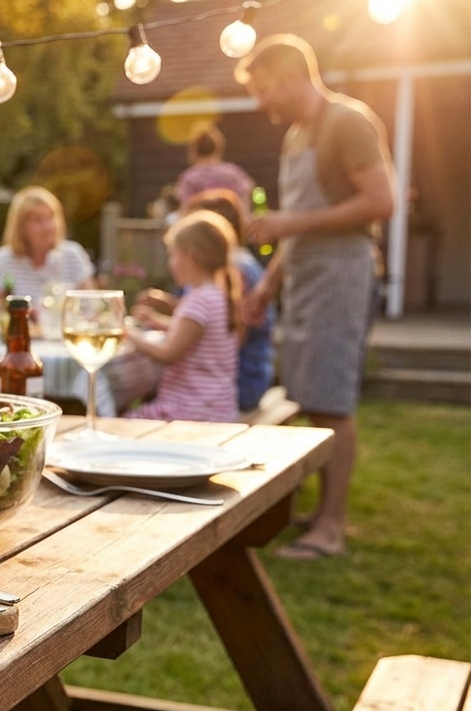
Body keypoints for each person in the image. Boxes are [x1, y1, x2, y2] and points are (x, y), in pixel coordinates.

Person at [236, 34, 395, 560]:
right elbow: (296, 227)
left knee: (333, 401)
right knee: (309, 396)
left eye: (263, 90)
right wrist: (265, 286)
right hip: (304, 277)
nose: (262, 104)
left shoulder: (349, 122)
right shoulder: (297, 135)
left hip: (342, 276)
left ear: (286, 77)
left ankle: (331, 527)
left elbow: (382, 201)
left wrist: (289, 223)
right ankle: (316, 512)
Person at [135, 188, 274, 411]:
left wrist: (128, 334)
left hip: (237, 384)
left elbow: (175, 349)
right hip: (219, 396)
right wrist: (163, 313)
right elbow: (207, 327)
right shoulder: (219, 286)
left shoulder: (238, 272)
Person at [124, 211, 240, 423]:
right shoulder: (216, 295)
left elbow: (168, 354)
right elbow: (197, 336)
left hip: (191, 410)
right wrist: (158, 322)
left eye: (173, 255)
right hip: (217, 406)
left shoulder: (198, 301)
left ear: (190, 256)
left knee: (119, 423)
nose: (170, 263)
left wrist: (127, 333)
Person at [0, 186, 95, 320]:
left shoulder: (72, 255)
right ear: (22, 227)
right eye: (38, 220)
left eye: (50, 218)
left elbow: (91, 309)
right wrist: (22, 314)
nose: (47, 227)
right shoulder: (4, 259)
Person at [174, 123, 258, 207]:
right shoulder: (233, 174)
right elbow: (246, 194)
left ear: (193, 150)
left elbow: (186, 206)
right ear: (218, 147)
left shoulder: (189, 178)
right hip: (231, 218)